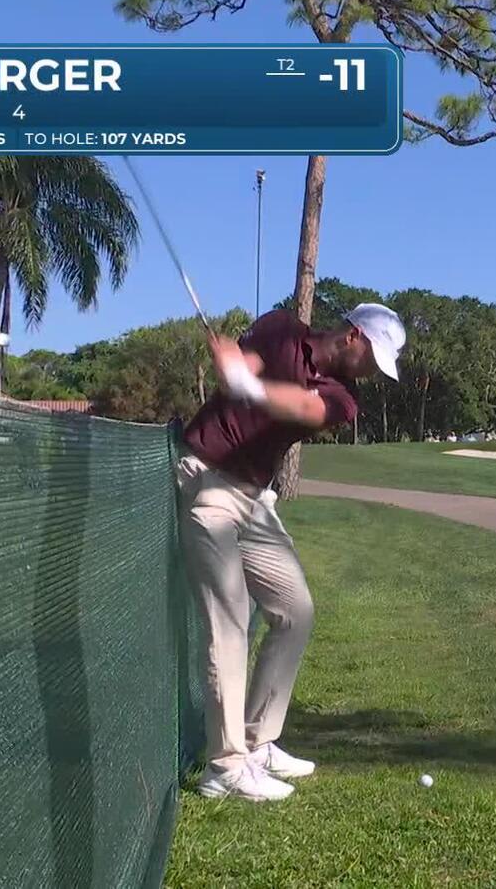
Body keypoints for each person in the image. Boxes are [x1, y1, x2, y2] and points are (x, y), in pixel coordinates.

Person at [176, 302, 405, 801]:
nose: (372, 373)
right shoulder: (282, 328)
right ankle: (225, 767)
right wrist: (234, 366)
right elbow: (244, 366)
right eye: (373, 359)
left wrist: (248, 386)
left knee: (295, 611)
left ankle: (257, 742)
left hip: (253, 500)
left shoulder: (343, 398)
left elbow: (302, 407)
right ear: (353, 336)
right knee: (229, 620)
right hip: (207, 482)